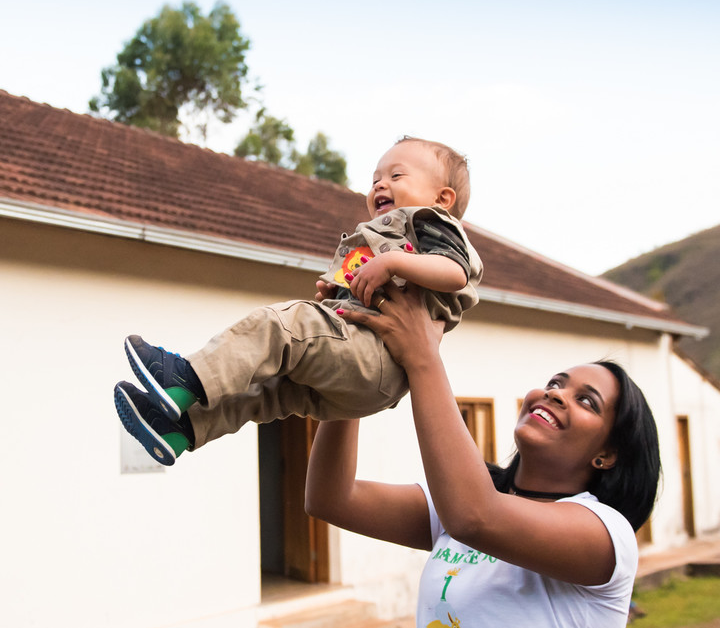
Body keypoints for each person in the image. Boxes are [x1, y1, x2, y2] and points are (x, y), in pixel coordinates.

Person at [306, 283, 661, 627]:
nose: (555, 394)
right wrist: (354, 370)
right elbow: (332, 499)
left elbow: (474, 518)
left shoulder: (606, 533)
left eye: (586, 401)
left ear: (607, 454)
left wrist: (422, 356)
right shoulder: (459, 506)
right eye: (555, 383)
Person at [114, 136, 483, 465]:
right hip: (368, 380)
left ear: (442, 198)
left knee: (281, 326)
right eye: (375, 179)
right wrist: (339, 297)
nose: (379, 185)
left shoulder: (430, 222)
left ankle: (185, 377)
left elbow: (455, 272)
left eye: (396, 175)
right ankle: (180, 429)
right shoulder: (395, 234)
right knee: (266, 390)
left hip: (376, 358)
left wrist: (391, 262)